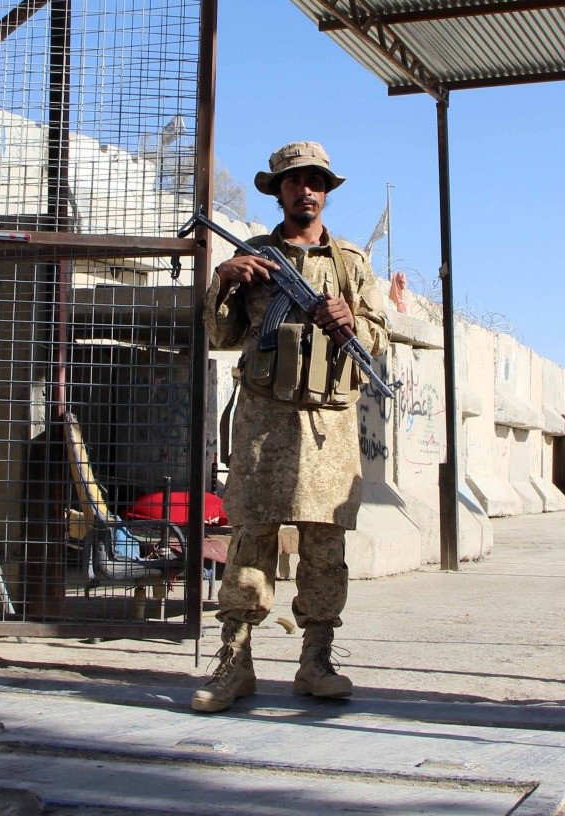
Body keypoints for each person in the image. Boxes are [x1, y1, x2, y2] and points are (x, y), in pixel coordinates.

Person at [192, 141, 389, 713]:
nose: (307, 190)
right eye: (295, 181)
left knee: (324, 549)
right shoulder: (255, 256)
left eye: (317, 182)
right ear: (278, 191)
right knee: (249, 544)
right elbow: (222, 336)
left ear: (326, 193)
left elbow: (378, 340)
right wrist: (224, 280)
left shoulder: (350, 263)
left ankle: (316, 661)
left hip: (329, 429)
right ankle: (235, 663)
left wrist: (352, 321)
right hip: (263, 426)